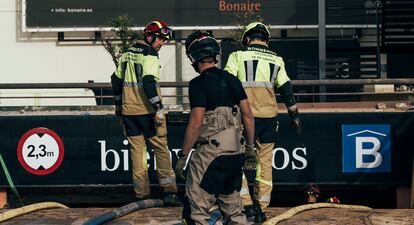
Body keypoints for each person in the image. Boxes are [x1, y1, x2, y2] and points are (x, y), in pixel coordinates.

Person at [174, 31, 255, 225]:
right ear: (215, 55)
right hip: (236, 152)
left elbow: (196, 122)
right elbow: (248, 117)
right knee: (234, 211)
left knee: (197, 210)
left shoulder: (198, 84)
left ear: (193, 58)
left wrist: (183, 156)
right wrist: (250, 149)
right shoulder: (233, 80)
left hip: (212, 152)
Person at [224, 21, 302, 220]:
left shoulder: (237, 56)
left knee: (236, 160)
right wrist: (294, 114)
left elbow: (225, 83)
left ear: (248, 38)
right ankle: (262, 207)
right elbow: (286, 89)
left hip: (242, 118)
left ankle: (246, 205)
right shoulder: (277, 60)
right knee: (265, 163)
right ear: (266, 39)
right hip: (268, 118)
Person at [111, 19, 181, 206]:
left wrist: (118, 106)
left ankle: (142, 195)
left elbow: (116, 80)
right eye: (160, 40)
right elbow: (149, 81)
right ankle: (169, 193)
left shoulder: (126, 54)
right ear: (150, 37)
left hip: (129, 112)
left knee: (137, 153)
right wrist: (158, 107)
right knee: (161, 150)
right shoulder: (150, 54)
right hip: (149, 112)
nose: (162, 44)